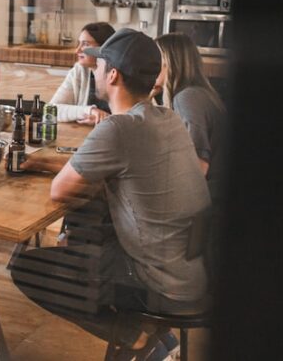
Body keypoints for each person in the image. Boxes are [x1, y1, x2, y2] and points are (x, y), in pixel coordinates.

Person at [14, 29, 212, 360]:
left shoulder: (118, 128)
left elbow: (60, 189)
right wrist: (43, 162)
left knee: (26, 267)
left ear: (114, 75)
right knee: (92, 227)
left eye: (101, 63)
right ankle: (154, 343)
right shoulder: (167, 118)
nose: (96, 69)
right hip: (191, 272)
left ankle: (134, 335)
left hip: (157, 284)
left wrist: (40, 166)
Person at [155, 33, 227, 201]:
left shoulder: (187, 98)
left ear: (170, 63)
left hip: (211, 198)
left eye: (155, 59)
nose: (149, 65)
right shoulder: (198, 92)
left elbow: (198, 166)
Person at [50, 22, 115, 124]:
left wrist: (105, 119)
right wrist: (90, 111)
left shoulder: (118, 75)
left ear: (103, 48)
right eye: (79, 43)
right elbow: (51, 110)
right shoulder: (79, 71)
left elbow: (129, 118)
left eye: (85, 44)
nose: (77, 50)